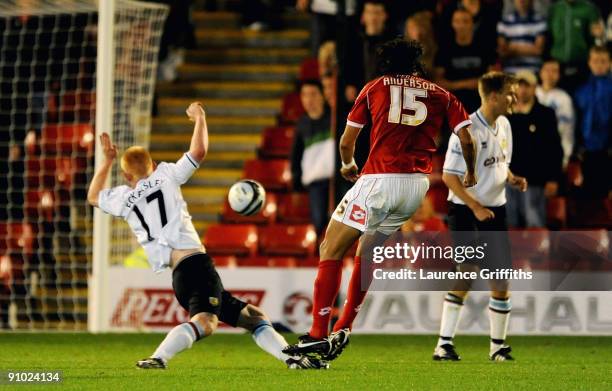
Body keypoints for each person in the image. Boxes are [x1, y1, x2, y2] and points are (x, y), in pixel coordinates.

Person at [87, 102, 325, 370]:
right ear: (152, 164)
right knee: (206, 323)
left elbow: (93, 197)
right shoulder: (165, 175)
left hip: (180, 275)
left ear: (126, 175)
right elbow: (198, 151)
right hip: (196, 264)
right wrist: (200, 117)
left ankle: (292, 359)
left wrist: (106, 161)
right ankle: (159, 357)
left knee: (253, 316)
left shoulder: (124, 198)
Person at [283, 39, 478, 362]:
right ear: (416, 63)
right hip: (415, 188)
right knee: (367, 251)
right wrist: (469, 172)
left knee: (330, 247)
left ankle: (318, 334)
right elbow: (467, 138)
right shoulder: (441, 94)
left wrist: (348, 166)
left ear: (387, 62)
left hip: (379, 179)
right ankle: (344, 326)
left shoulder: (375, 87)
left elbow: (347, 142)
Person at [433, 71, 527, 362]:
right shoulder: (467, 130)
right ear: (495, 96)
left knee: (501, 280)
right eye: (511, 92)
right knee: (468, 273)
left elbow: (500, 163)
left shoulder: (506, 125)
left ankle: (498, 347)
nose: (516, 97)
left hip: (495, 211)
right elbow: (449, 176)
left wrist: (511, 178)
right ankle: (443, 345)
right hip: (466, 211)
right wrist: (474, 207)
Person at [506, 70, 563, 228]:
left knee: (535, 225)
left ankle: (539, 254)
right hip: (508, 180)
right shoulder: (505, 114)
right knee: (510, 225)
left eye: (527, 86)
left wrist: (553, 178)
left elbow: (554, 148)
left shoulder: (545, 114)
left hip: (535, 180)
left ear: (534, 88)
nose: (523, 90)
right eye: (519, 85)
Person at [290, 80, 335, 236]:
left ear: (322, 96)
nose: (309, 99)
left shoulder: (335, 117)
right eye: (305, 95)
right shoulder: (301, 125)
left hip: (338, 180)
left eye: (313, 94)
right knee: (320, 225)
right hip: (316, 184)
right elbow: (295, 157)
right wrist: (296, 186)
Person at [434, 8, 497, 112]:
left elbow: (493, 79)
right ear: (452, 24)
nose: (461, 26)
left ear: (473, 24)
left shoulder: (485, 48)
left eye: (465, 21)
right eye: (457, 21)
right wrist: (467, 84)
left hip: (481, 105)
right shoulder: (444, 50)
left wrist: (454, 84)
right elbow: (438, 83)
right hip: (453, 105)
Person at [573, 46, 611, 199]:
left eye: (603, 61)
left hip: (608, 150)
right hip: (586, 151)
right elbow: (577, 121)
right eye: (595, 61)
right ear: (589, 63)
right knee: (588, 198)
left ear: (609, 63)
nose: (599, 65)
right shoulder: (581, 90)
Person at [548, 0, 605, 92]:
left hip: (582, 64)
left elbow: (597, 37)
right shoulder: (554, 9)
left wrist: (599, 36)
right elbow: (548, 36)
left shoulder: (589, 9)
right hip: (557, 65)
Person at [345, 0, 395, 102]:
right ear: (363, 17)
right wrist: (350, 84)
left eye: (377, 13)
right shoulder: (353, 41)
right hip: (360, 95)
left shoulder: (394, 42)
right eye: (369, 12)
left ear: (385, 16)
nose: (373, 17)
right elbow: (347, 66)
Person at [536, 58, 575, 169]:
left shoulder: (564, 98)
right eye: (547, 70)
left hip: (553, 151)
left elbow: (567, 129)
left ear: (559, 75)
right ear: (541, 72)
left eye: (554, 71)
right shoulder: (531, 92)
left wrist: (566, 156)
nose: (550, 74)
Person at [497, 0, 547, 73]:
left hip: (533, 71)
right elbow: (502, 51)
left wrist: (513, 48)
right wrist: (530, 48)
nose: (521, 0)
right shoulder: (504, 22)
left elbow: (538, 50)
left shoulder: (540, 21)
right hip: (510, 71)